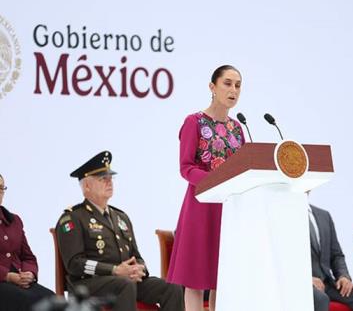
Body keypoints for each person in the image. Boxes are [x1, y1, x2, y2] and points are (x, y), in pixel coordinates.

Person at [55, 151, 183, 311]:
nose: (109, 182)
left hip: (123, 281)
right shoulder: (73, 218)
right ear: (86, 186)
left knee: (172, 287)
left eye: (111, 178)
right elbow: (75, 264)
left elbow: (137, 257)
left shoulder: (121, 217)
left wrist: (139, 269)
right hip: (89, 285)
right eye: (103, 179)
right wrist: (114, 270)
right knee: (124, 284)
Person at [166, 65, 245, 311]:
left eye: (238, 85)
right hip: (201, 208)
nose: (233, 90)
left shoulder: (237, 128)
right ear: (212, 87)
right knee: (195, 279)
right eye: (228, 83)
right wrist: (216, 180)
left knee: (223, 278)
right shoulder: (195, 122)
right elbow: (186, 167)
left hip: (229, 209)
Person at [308, 202, 353, 311]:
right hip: (302, 283)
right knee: (321, 299)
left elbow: (336, 255)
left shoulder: (324, 215)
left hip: (327, 284)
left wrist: (343, 276)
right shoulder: (281, 213)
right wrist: (304, 279)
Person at [0, 173, 54, 310]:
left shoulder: (14, 220)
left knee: (53, 299)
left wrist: (30, 273)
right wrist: (7, 276)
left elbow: (28, 256)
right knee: (28, 301)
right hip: (3, 280)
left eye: (1, 188)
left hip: (19, 279)